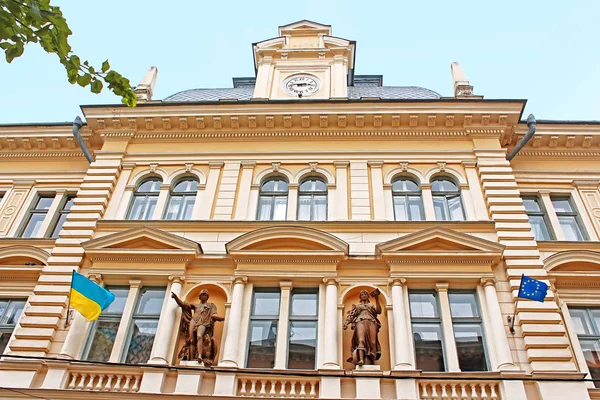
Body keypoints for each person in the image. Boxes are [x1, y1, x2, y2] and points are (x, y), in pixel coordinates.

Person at [172, 289, 224, 366]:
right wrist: (176, 297)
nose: (204, 296)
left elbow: (214, 315)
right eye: (202, 295)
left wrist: (221, 318)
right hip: (193, 321)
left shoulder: (211, 305)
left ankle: (200, 355)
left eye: (205, 295)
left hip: (203, 322)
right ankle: (192, 359)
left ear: (207, 297)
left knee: (199, 336)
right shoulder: (195, 305)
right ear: (199, 297)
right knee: (192, 340)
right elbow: (183, 304)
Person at [343, 288, 382, 366]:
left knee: (373, 342)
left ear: (368, 296)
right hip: (360, 322)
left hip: (371, 322)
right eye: (362, 295)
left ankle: (372, 360)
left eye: (365, 294)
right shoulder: (357, 307)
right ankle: (361, 359)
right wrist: (346, 323)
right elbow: (351, 316)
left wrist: (377, 298)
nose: (364, 296)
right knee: (361, 340)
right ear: (360, 297)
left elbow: (379, 311)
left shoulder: (371, 306)